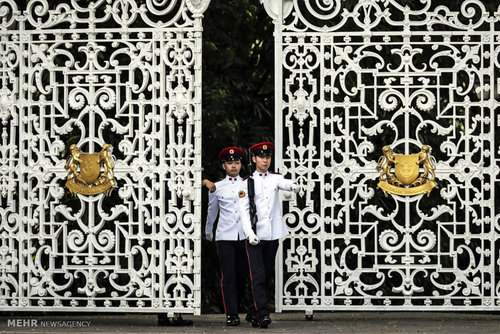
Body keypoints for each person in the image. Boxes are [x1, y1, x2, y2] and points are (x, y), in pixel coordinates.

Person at [238, 142, 299, 329]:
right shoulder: (246, 182)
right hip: (255, 236)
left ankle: (253, 311)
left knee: (266, 275)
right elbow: (244, 211)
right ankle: (263, 314)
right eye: (262, 157)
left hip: (272, 235)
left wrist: (295, 186)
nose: (265, 160)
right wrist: (249, 234)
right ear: (254, 159)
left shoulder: (275, 178)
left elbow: (285, 183)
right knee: (257, 275)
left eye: (268, 157)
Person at [202, 147, 250, 326]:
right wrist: (209, 232)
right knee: (228, 275)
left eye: (236, 163)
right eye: (229, 163)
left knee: (243, 275)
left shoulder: (247, 184)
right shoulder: (217, 187)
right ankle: (232, 313)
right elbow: (212, 211)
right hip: (225, 237)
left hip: (244, 236)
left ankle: (239, 307)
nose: (233, 166)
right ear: (223, 165)